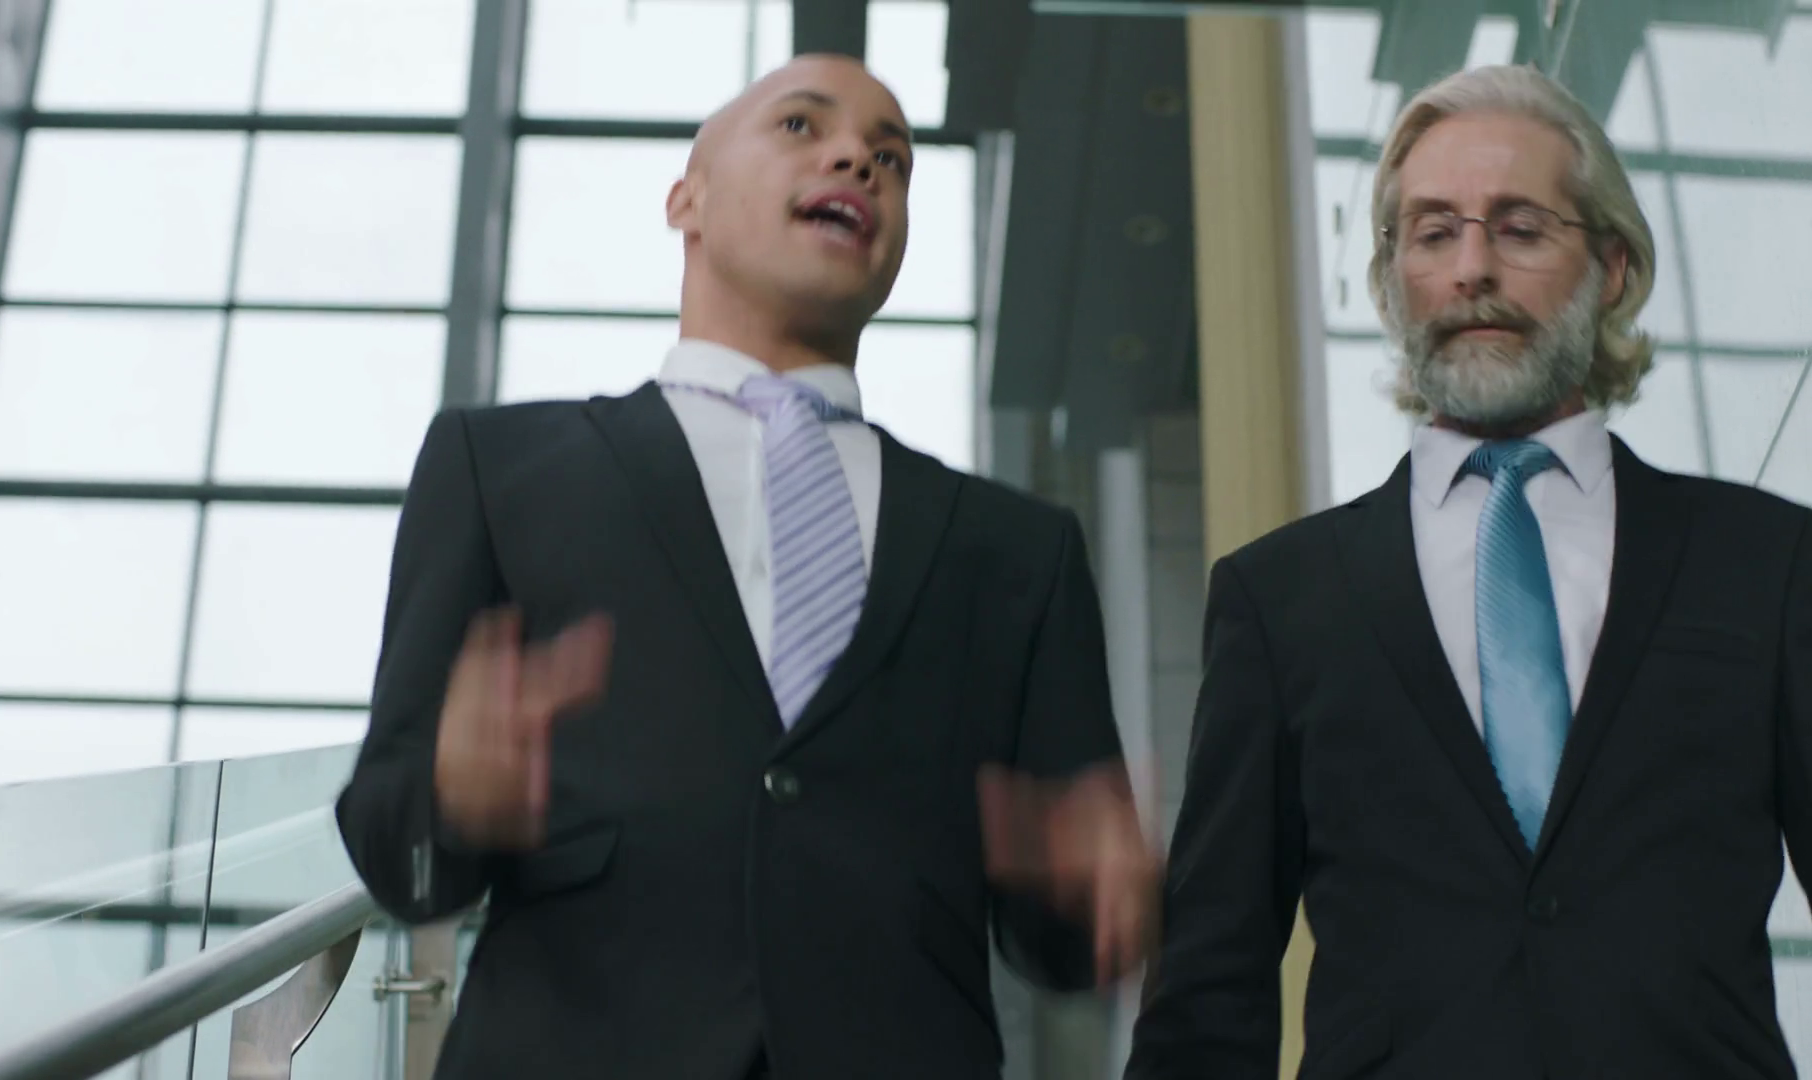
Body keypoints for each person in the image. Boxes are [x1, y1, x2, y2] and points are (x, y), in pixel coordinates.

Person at [336, 54, 1158, 1080]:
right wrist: (454, 801)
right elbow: (399, 853)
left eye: (894, 159)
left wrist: (1095, 895)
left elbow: (1061, 944)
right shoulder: (496, 469)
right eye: (803, 126)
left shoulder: (1021, 552)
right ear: (687, 197)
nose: (859, 160)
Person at [1125, 63, 1812, 1080]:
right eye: (1434, 233)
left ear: (1612, 267)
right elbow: (1208, 991)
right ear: (1390, 281)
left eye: (1520, 228)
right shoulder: (1279, 601)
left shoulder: (1769, 562)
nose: (1472, 268)